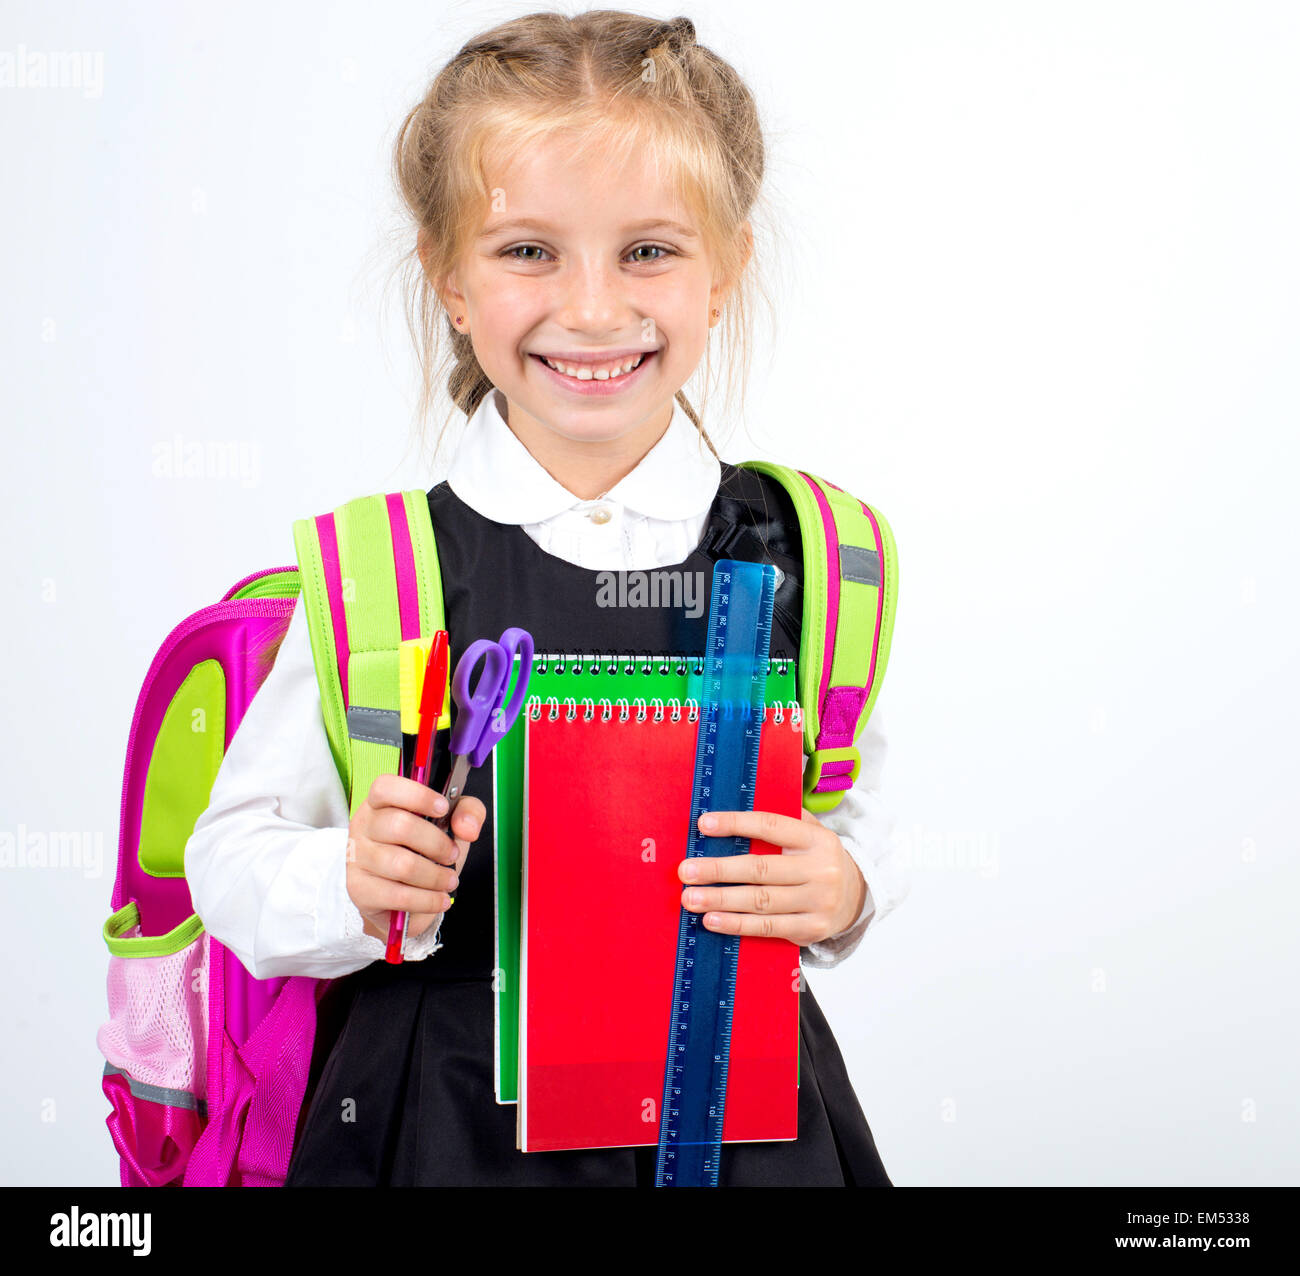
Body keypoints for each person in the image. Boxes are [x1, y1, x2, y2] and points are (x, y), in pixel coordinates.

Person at [185, 10, 907, 1186]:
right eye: (527, 251)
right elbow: (231, 860)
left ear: (723, 273)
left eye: (648, 251)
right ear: (448, 278)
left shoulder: (807, 556)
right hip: (439, 1129)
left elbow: (853, 803)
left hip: (742, 1123)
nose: (589, 308)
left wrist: (843, 886)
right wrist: (349, 879)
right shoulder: (382, 574)